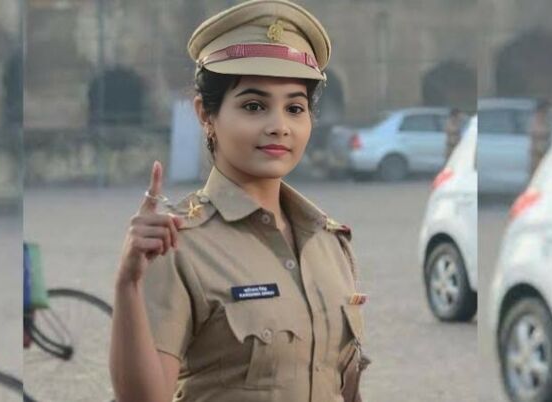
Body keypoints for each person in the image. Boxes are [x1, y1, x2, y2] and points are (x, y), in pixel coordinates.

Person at [109, 1, 368, 401]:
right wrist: (128, 285)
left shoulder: (330, 244)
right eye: (254, 106)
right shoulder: (176, 243)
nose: (279, 126)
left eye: (294, 108)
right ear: (205, 114)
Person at [529, 99, 552, 177]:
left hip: (544, 152)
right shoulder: (536, 120)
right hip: (538, 153)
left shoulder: (546, 120)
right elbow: (538, 133)